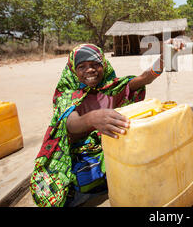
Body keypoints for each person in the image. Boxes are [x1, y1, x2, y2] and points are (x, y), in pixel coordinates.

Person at [29, 39, 184, 207]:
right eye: (82, 66)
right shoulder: (67, 94)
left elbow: (145, 78)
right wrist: (91, 119)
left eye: (95, 64)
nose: (90, 70)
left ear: (104, 64)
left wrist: (167, 55)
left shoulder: (111, 88)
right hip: (80, 156)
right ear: (73, 70)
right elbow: (70, 123)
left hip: (109, 147)